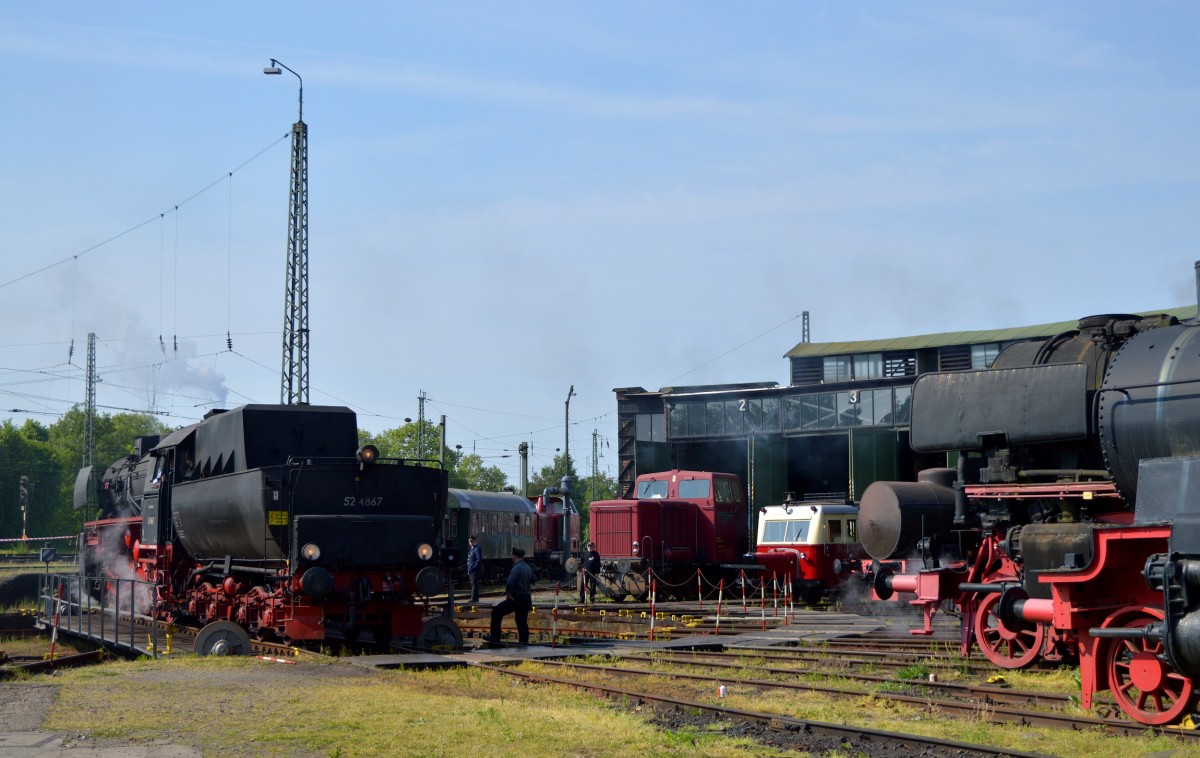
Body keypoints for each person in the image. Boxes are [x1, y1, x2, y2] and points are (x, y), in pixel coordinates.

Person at [488, 547, 535, 646]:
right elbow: (534, 579)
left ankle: (495, 637)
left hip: (516, 598)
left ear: (514, 556)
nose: (511, 557)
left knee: (496, 612)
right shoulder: (527, 567)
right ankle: (524, 642)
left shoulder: (516, 567)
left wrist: (508, 594)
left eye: (512, 555)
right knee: (522, 621)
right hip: (526, 598)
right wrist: (527, 587)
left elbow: (510, 582)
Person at [466, 535, 483, 604]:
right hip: (470, 570)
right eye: (469, 541)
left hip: (474, 570)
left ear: (475, 541)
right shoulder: (472, 549)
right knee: (473, 584)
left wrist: (474, 567)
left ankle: (474, 598)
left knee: (474, 584)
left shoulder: (477, 548)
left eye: (471, 541)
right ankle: (475, 598)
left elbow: (479, 559)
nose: (470, 542)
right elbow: (470, 560)